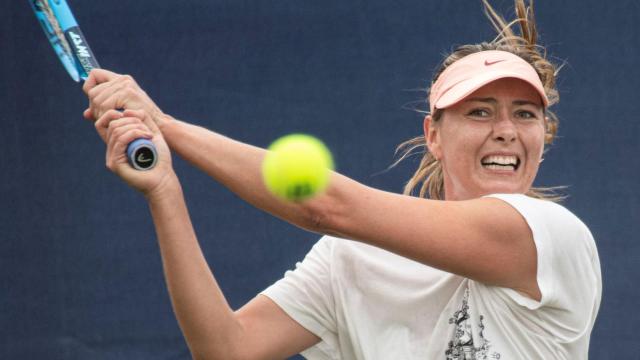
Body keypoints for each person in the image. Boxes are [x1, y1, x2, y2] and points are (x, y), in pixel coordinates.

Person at [82, 0, 601, 359]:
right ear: (434, 136)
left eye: (526, 115)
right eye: (481, 112)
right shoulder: (349, 259)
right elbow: (225, 348)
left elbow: (326, 206)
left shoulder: (547, 235)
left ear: (543, 135)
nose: (507, 131)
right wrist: (165, 192)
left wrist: (166, 127)